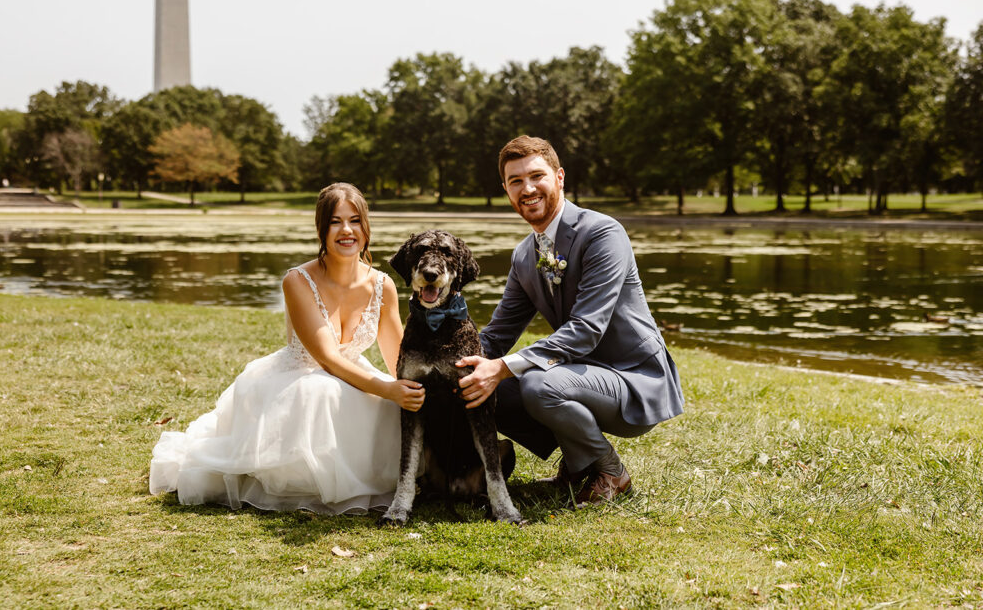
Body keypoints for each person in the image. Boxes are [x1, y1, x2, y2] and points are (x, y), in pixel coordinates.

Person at [150, 183, 424, 513]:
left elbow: (399, 357)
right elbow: (326, 358)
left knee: (392, 404)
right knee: (323, 394)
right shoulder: (297, 280)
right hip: (300, 379)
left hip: (355, 374)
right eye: (335, 222)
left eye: (354, 220)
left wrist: (410, 388)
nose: (346, 230)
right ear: (322, 229)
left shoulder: (383, 286)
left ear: (366, 227)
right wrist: (386, 388)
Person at [457, 136, 684, 505]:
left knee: (537, 384)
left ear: (559, 177)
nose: (527, 188)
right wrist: (453, 367)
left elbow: (586, 329)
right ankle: (578, 466)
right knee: (476, 385)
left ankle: (611, 470)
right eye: (515, 181)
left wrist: (501, 367)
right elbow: (497, 334)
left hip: (633, 377)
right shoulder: (523, 256)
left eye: (536, 176)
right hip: (577, 376)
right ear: (505, 190)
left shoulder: (603, 233)